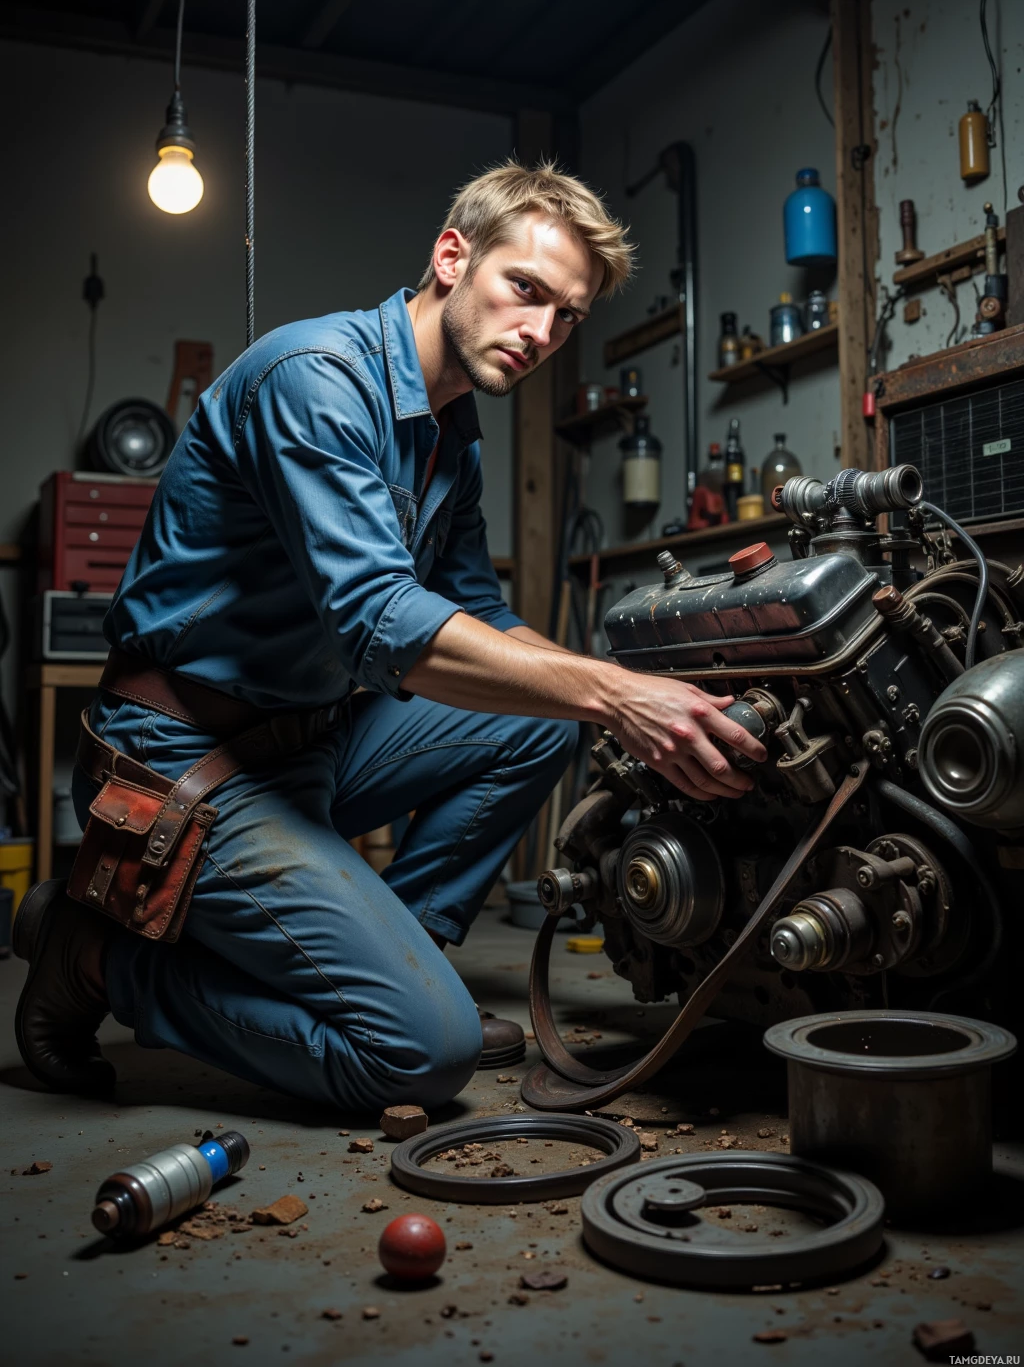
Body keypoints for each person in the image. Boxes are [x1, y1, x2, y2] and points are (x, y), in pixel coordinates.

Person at [15, 161, 766, 1113]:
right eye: (524, 290)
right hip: (181, 757)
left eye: (566, 315)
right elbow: (384, 621)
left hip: (312, 745)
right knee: (422, 1057)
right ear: (452, 257)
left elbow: (478, 614)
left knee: (543, 719)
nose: (541, 333)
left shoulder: (453, 434)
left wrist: (636, 689)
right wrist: (621, 697)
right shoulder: (316, 379)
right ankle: (99, 959)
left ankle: (402, 958)